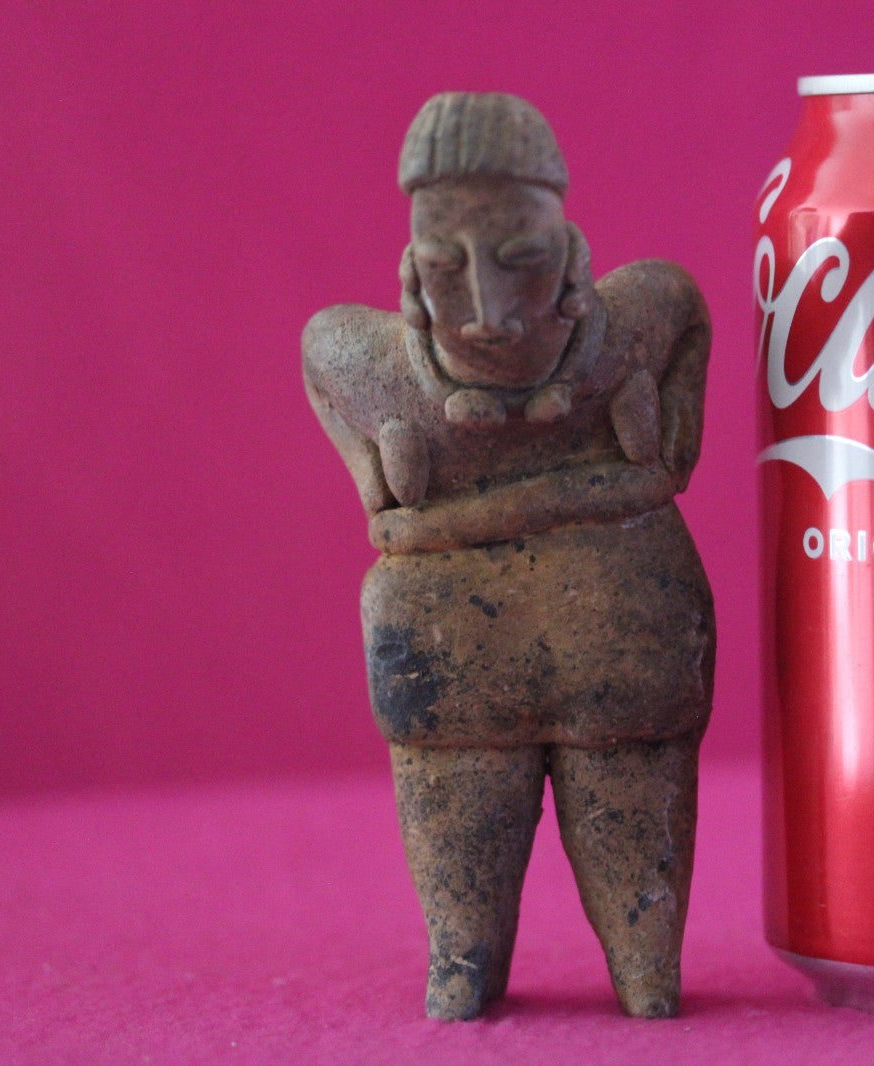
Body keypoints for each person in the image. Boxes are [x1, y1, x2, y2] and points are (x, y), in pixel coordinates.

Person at [302, 92, 714, 1020]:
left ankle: (645, 969)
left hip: (624, 628)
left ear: (568, 255)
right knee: (461, 853)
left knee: (635, 824)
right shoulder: (374, 361)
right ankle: (464, 961)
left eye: (521, 260)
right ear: (412, 268)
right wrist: (368, 471)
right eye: (446, 267)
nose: (487, 312)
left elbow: (686, 311)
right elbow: (319, 356)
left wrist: (674, 433)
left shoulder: (630, 328)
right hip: (450, 651)